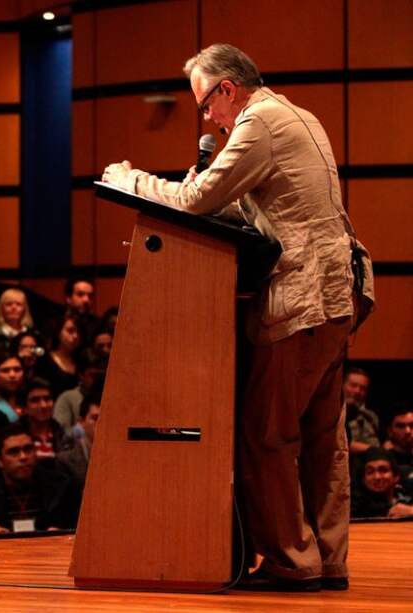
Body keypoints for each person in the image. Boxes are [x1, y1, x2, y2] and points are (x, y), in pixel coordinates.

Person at [102, 43, 370, 592]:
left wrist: (130, 180)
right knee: (322, 437)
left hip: (301, 301)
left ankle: (292, 562)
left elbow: (198, 199)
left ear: (228, 88)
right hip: (337, 296)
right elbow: (249, 205)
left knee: (268, 434)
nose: (208, 118)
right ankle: (328, 559)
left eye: (206, 104)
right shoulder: (298, 115)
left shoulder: (258, 122)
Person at [0, 423, 81, 533]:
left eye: (28, 449)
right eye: (13, 452)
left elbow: (76, 527)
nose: (23, 457)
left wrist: (62, 532)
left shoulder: (60, 486)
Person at [349, 447, 413, 519]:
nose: (377, 477)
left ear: (396, 476)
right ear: (363, 479)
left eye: (383, 470)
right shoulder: (355, 506)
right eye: (370, 472)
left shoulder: (407, 494)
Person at [343, 368, 379, 459]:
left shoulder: (370, 417)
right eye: (353, 385)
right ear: (342, 386)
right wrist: (373, 449)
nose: (357, 391)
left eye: (363, 388)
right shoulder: (331, 416)